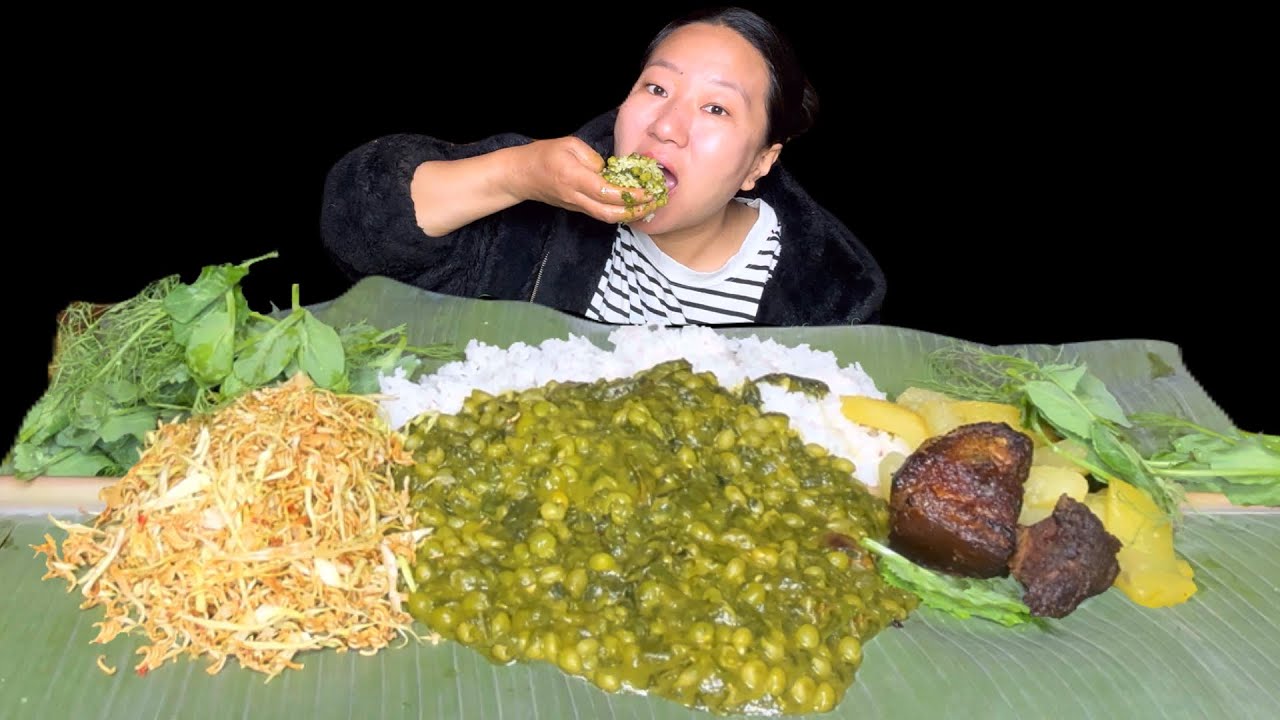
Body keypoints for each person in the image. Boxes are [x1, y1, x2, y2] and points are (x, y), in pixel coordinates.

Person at [319, 6, 885, 327]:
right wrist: (518, 173)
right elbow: (360, 225)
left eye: (716, 108)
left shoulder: (824, 298)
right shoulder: (543, 193)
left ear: (760, 163)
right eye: (656, 87)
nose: (666, 125)